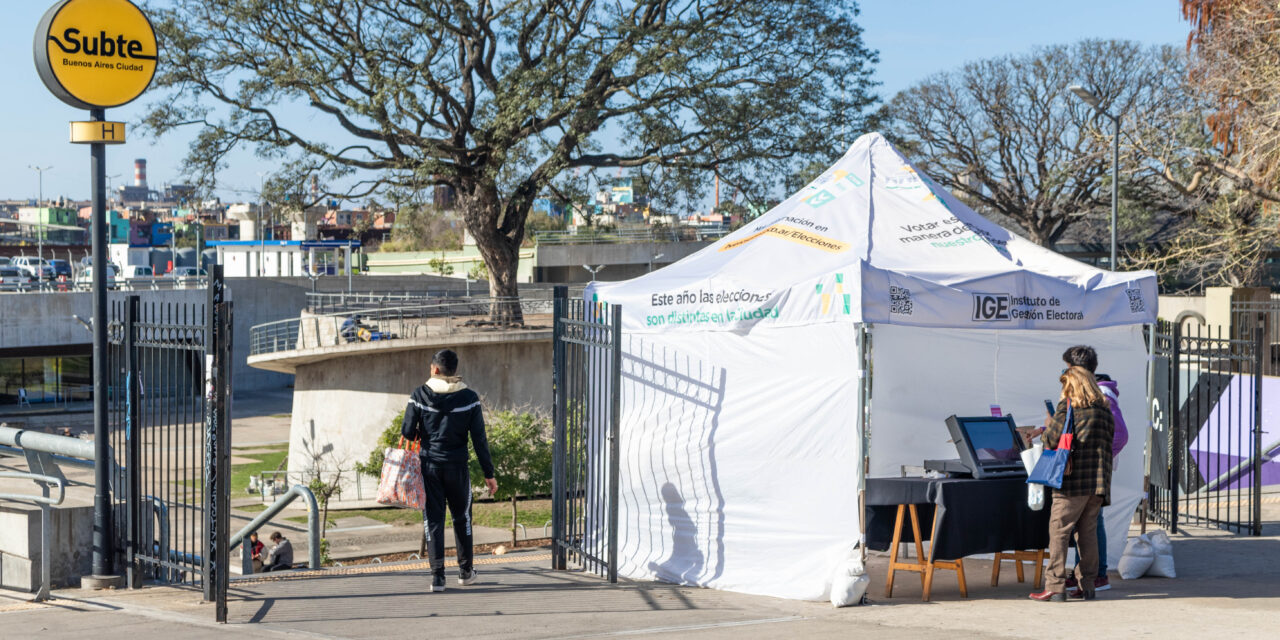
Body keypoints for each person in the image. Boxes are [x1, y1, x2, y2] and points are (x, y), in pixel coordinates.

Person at [402, 348, 498, 593]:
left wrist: (424, 432)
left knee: (433, 520)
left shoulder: (419, 395)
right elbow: (479, 440)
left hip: (429, 467)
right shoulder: (470, 398)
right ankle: (466, 572)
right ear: (455, 371)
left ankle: (438, 578)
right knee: (461, 517)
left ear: (435, 369)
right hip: (457, 467)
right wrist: (489, 474)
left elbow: (407, 432)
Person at [1030, 365, 1115, 602]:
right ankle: (1087, 585)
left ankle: (1055, 586)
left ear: (1072, 385)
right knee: (1087, 533)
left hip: (1071, 482)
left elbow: (1052, 439)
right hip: (1098, 483)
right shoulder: (1105, 410)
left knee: (1059, 530)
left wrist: (1049, 422)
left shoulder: (1068, 408)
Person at [1061, 345, 1128, 592]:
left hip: (1092, 468)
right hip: (1091, 466)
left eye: (1068, 369)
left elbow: (1120, 435)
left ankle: (1097, 575)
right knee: (1087, 522)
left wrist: (1098, 455)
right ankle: (1085, 574)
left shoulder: (1102, 395)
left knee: (1091, 522)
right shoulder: (1092, 392)